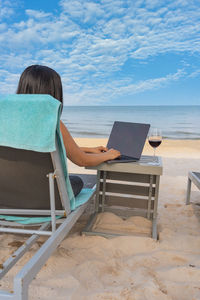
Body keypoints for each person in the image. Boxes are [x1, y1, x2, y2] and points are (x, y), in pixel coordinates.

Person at [16, 65, 121, 196]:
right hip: (43, 196)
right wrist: (109, 155)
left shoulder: (9, 122)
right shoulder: (52, 122)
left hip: (12, 194)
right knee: (76, 181)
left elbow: (45, 149)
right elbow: (82, 161)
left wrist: (89, 149)